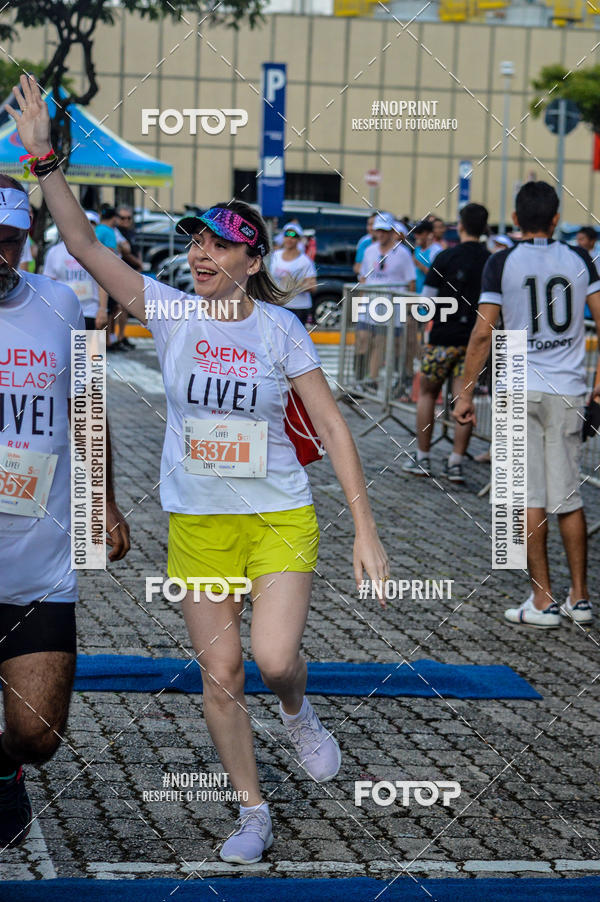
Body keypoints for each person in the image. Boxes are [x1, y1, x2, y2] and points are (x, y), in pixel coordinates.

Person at [7, 74, 389, 864]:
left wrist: (367, 527)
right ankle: (252, 812)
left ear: (251, 259)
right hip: (199, 525)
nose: (199, 254)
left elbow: (329, 423)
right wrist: (44, 157)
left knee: (275, 660)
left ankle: (297, 712)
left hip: (278, 513)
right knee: (220, 675)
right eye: (194, 242)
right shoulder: (171, 311)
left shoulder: (281, 329)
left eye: (217, 244)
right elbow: (81, 242)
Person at [0, 171, 130, 848]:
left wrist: (104, 499)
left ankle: (3, 772)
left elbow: (88, 407)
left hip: (38, 567)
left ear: (28, 238)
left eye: (9, 241)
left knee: (37, 735)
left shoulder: (59, 304)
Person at [454, 181, 600, 628]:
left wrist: (465, 390)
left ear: (515, 220)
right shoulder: (579, 259)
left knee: (527, 497)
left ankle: (542, 600)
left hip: (518, 381)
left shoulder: (502, 262)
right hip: (568, 386)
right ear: (556, 219)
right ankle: (581, 597)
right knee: (568, 495)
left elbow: (483, 332)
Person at [403, 203, 490, 484]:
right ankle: (455, 461)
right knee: (463, 398)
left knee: (428, 393)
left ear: (460, 226)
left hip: (442, 337)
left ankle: (423, 455)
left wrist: (421, 332)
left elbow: (426, 301)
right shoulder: (491, 261)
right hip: (475, 340)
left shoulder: (445, 257)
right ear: (485, 228)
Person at [356, 213, 416, 391]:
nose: (381, 235)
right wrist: (359, 301)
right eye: (378, 231)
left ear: (391, 232)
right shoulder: (369, 251)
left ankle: (373, 379)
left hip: (391, 308)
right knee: (363, 340)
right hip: (369, 304)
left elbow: (410, 282)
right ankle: (360, 379)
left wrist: (409, 309)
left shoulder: (403, 253)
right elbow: (364, 278)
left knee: (381, 342)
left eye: (384, 231)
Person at [43, 211, 109, 331]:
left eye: (92, 224)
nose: (88, 227)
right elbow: (49, 284)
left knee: (93, 349)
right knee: (66, 350)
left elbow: (103, 284)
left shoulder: (98, 252)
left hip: (90, 313)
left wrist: (102, 309)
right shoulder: (54, 252)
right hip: (63, 313)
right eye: (85, 223)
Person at [269, 222, 317, 326]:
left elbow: (313, 286)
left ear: (299, 240)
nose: (289, 239)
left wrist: (295, 284)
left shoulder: (305, 261)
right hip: (278, 305)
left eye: (293, 236)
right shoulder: (275, 256)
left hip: (298, 307)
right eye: (286, 235)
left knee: (294, 341)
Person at [115, 205, 143, 349]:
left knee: (125, 307)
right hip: (119, 274)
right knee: (118, 307)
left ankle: (121, 336)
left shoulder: (132, 233)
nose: (126, 221)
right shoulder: (115, 233)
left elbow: (136, 250)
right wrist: (137, 262)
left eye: (128, 218)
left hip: (131, 274)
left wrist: (139, 263)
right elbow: (125, 253)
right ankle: (115, 339)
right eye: (122, 218)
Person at [412, 220, 434, 293]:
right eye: (415, 233)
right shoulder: (417, 249)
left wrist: (419, 265)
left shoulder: (435, 250)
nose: (416, 235)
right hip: (416, 294)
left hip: (429, 296)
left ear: (429, 234)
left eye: (419, 233)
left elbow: (436, 276)